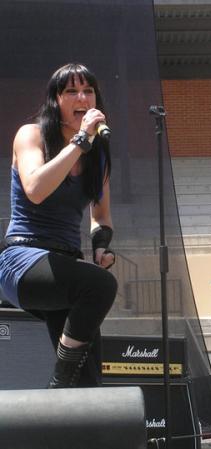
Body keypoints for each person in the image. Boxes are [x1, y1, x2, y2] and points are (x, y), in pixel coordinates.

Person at [0, 63, 117, 388]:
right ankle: (59, 383)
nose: (82, 98)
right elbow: (36, 190)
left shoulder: (97, 155)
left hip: (64, 265)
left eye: (88, 91)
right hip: (22, 260)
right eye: (71, 91)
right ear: (55, 100)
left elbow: (101, 216)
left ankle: (71, 402)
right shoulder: (32, 135)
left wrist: (101, 247)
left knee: (89, 376)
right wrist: (80, 140)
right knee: (101, 286)